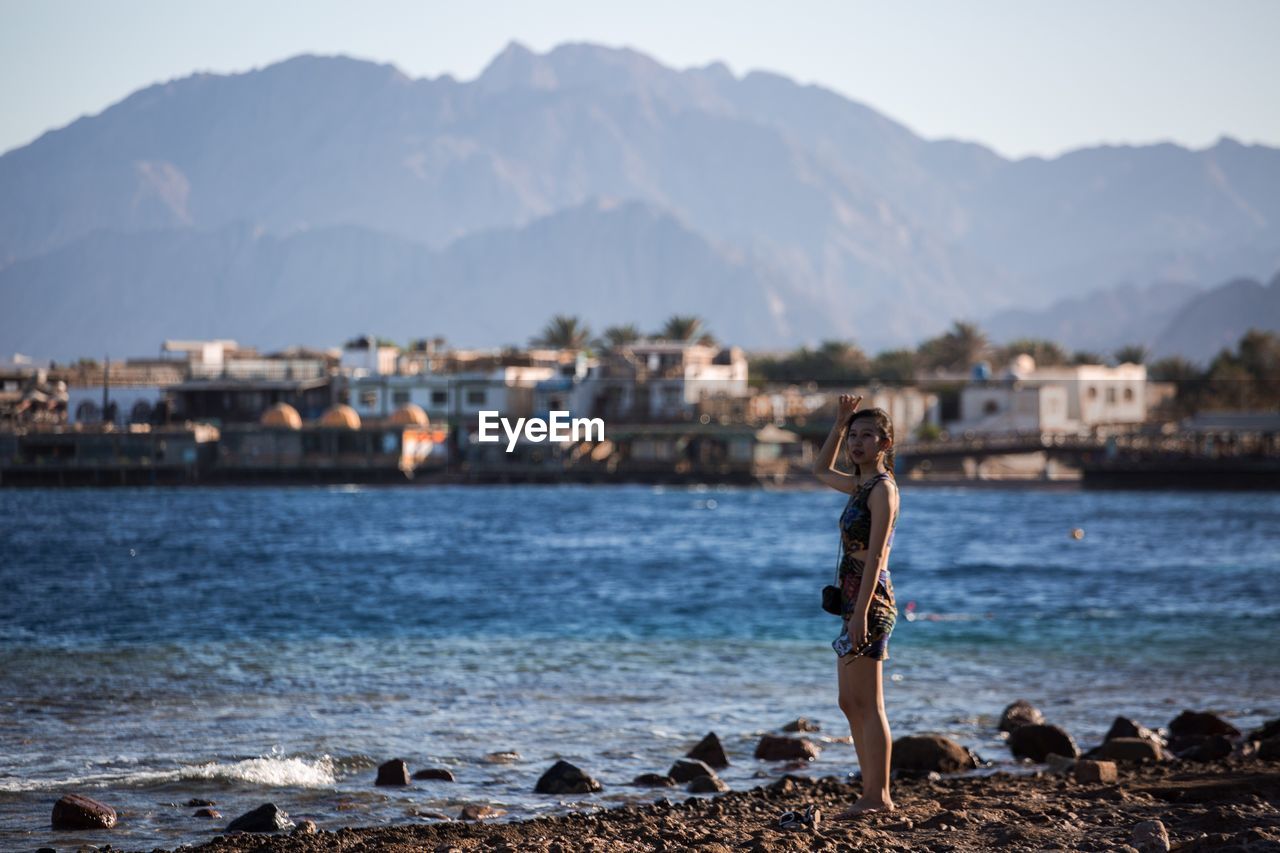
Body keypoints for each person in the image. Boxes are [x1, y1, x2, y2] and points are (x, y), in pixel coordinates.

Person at [812, 394, 900, 818]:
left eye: (868, 436)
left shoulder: (882, 490)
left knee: (871, 702)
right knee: (850, 702)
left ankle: (877, 797)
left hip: (870, 598)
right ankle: (870, 791)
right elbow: (818, 470)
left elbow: (879, 555)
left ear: (885, 443)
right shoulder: (859, 485)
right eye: (854, 436)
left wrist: (862, 612)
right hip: (850, 598)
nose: (857, 443)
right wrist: (839, 422)